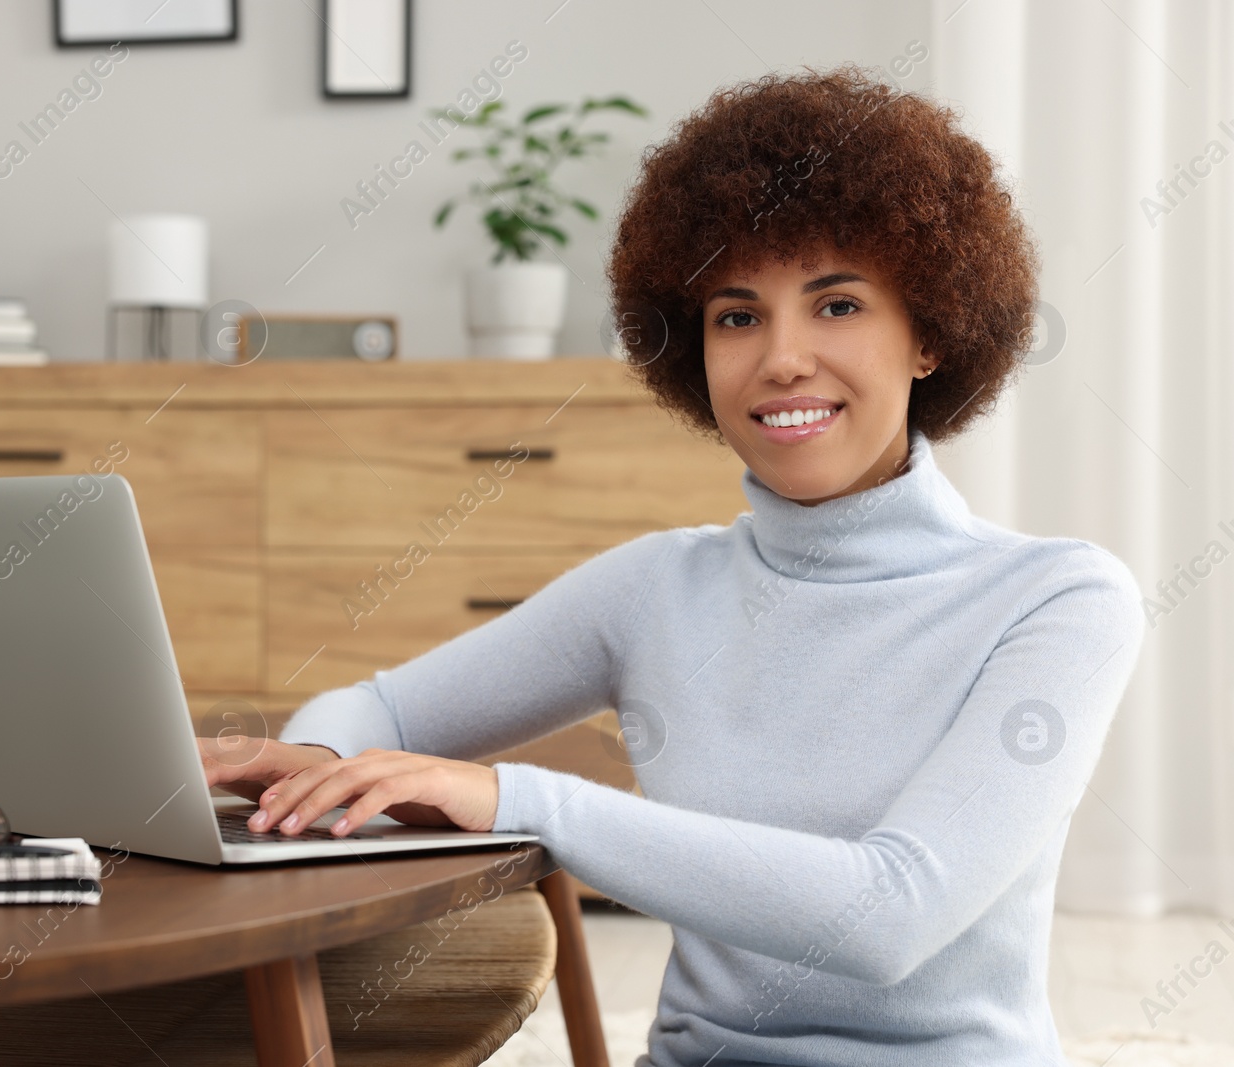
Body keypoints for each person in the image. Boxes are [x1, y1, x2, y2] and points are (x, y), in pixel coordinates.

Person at [200, 63, 1143, 1066]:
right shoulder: (655, 587)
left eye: (836, 305)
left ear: (929, 334)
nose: (780, 357)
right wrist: (320, 767)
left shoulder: (1058, 598)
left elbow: (889, 913)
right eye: (736, 315)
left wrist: (523, 801)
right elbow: (376, 710)